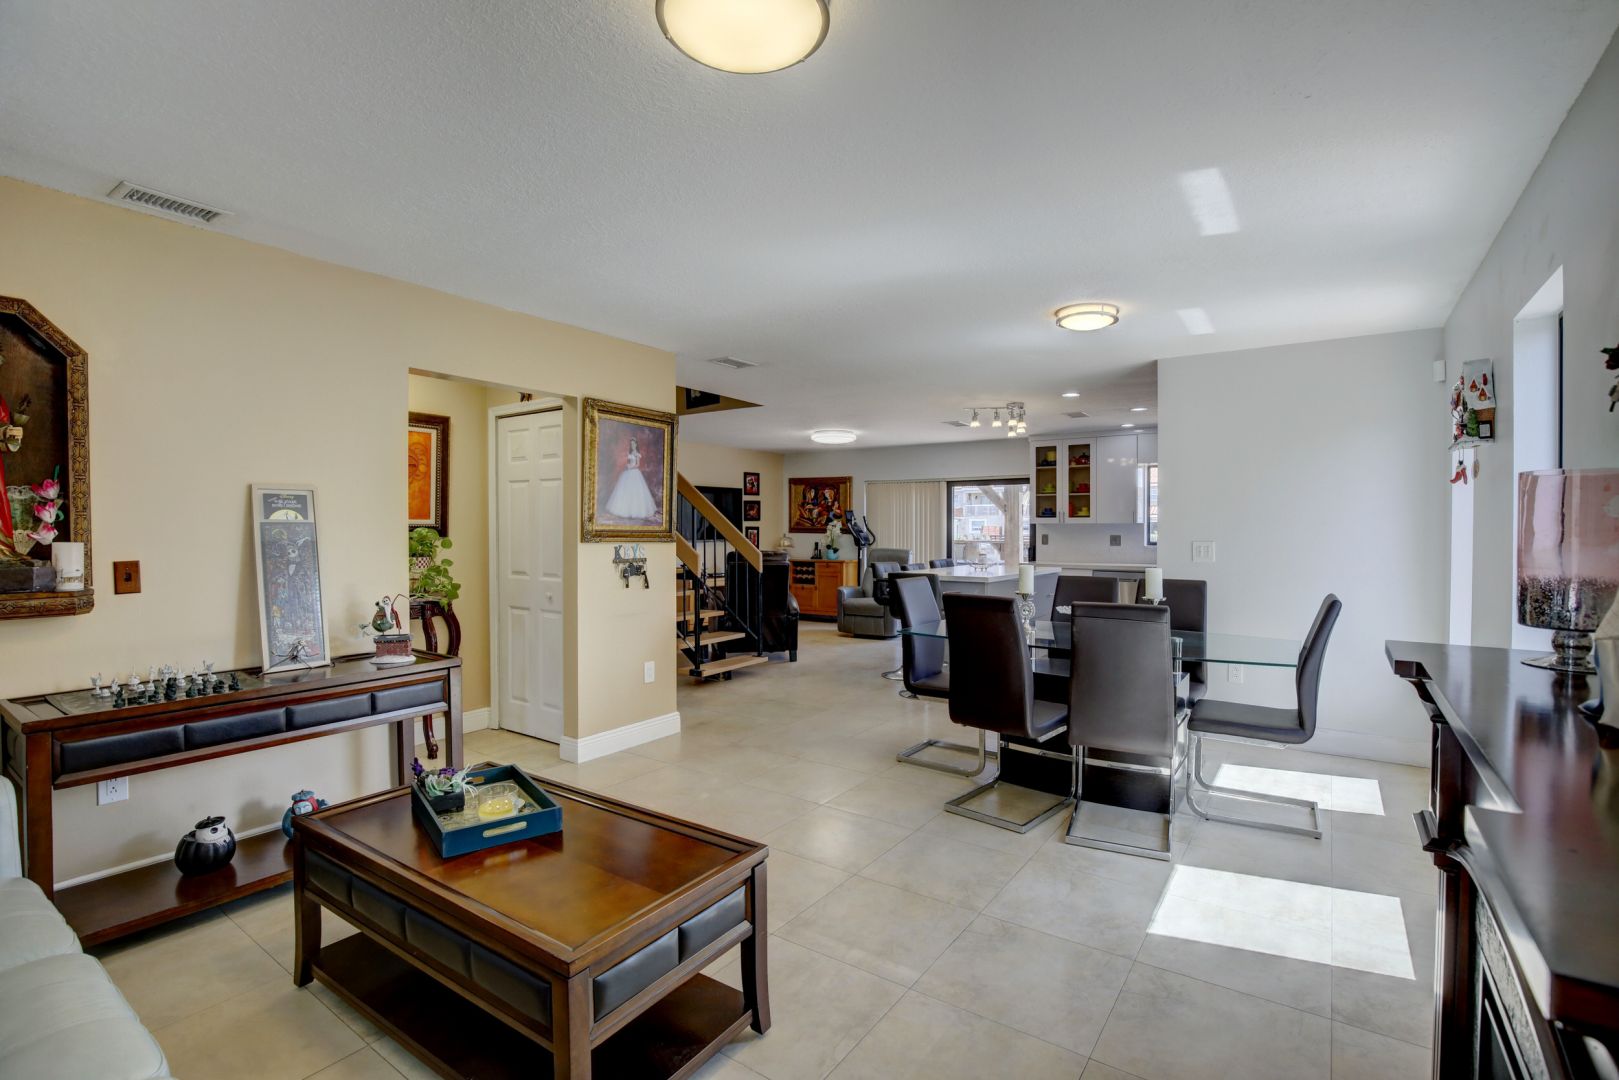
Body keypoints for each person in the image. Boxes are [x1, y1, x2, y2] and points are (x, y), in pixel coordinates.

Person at [604, 437, 659, 521]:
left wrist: (631, 467)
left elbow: (638, 464)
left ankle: (635, 511)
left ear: (636, 444)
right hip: (628, 472)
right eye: (631, 444)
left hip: (634, 472)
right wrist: (627, 466)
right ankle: (624, 510)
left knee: (635, 492)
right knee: (625, 490)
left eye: (633, 444)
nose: (632, 445)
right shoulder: (630, 452)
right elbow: (629, 462)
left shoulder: (637, 453)